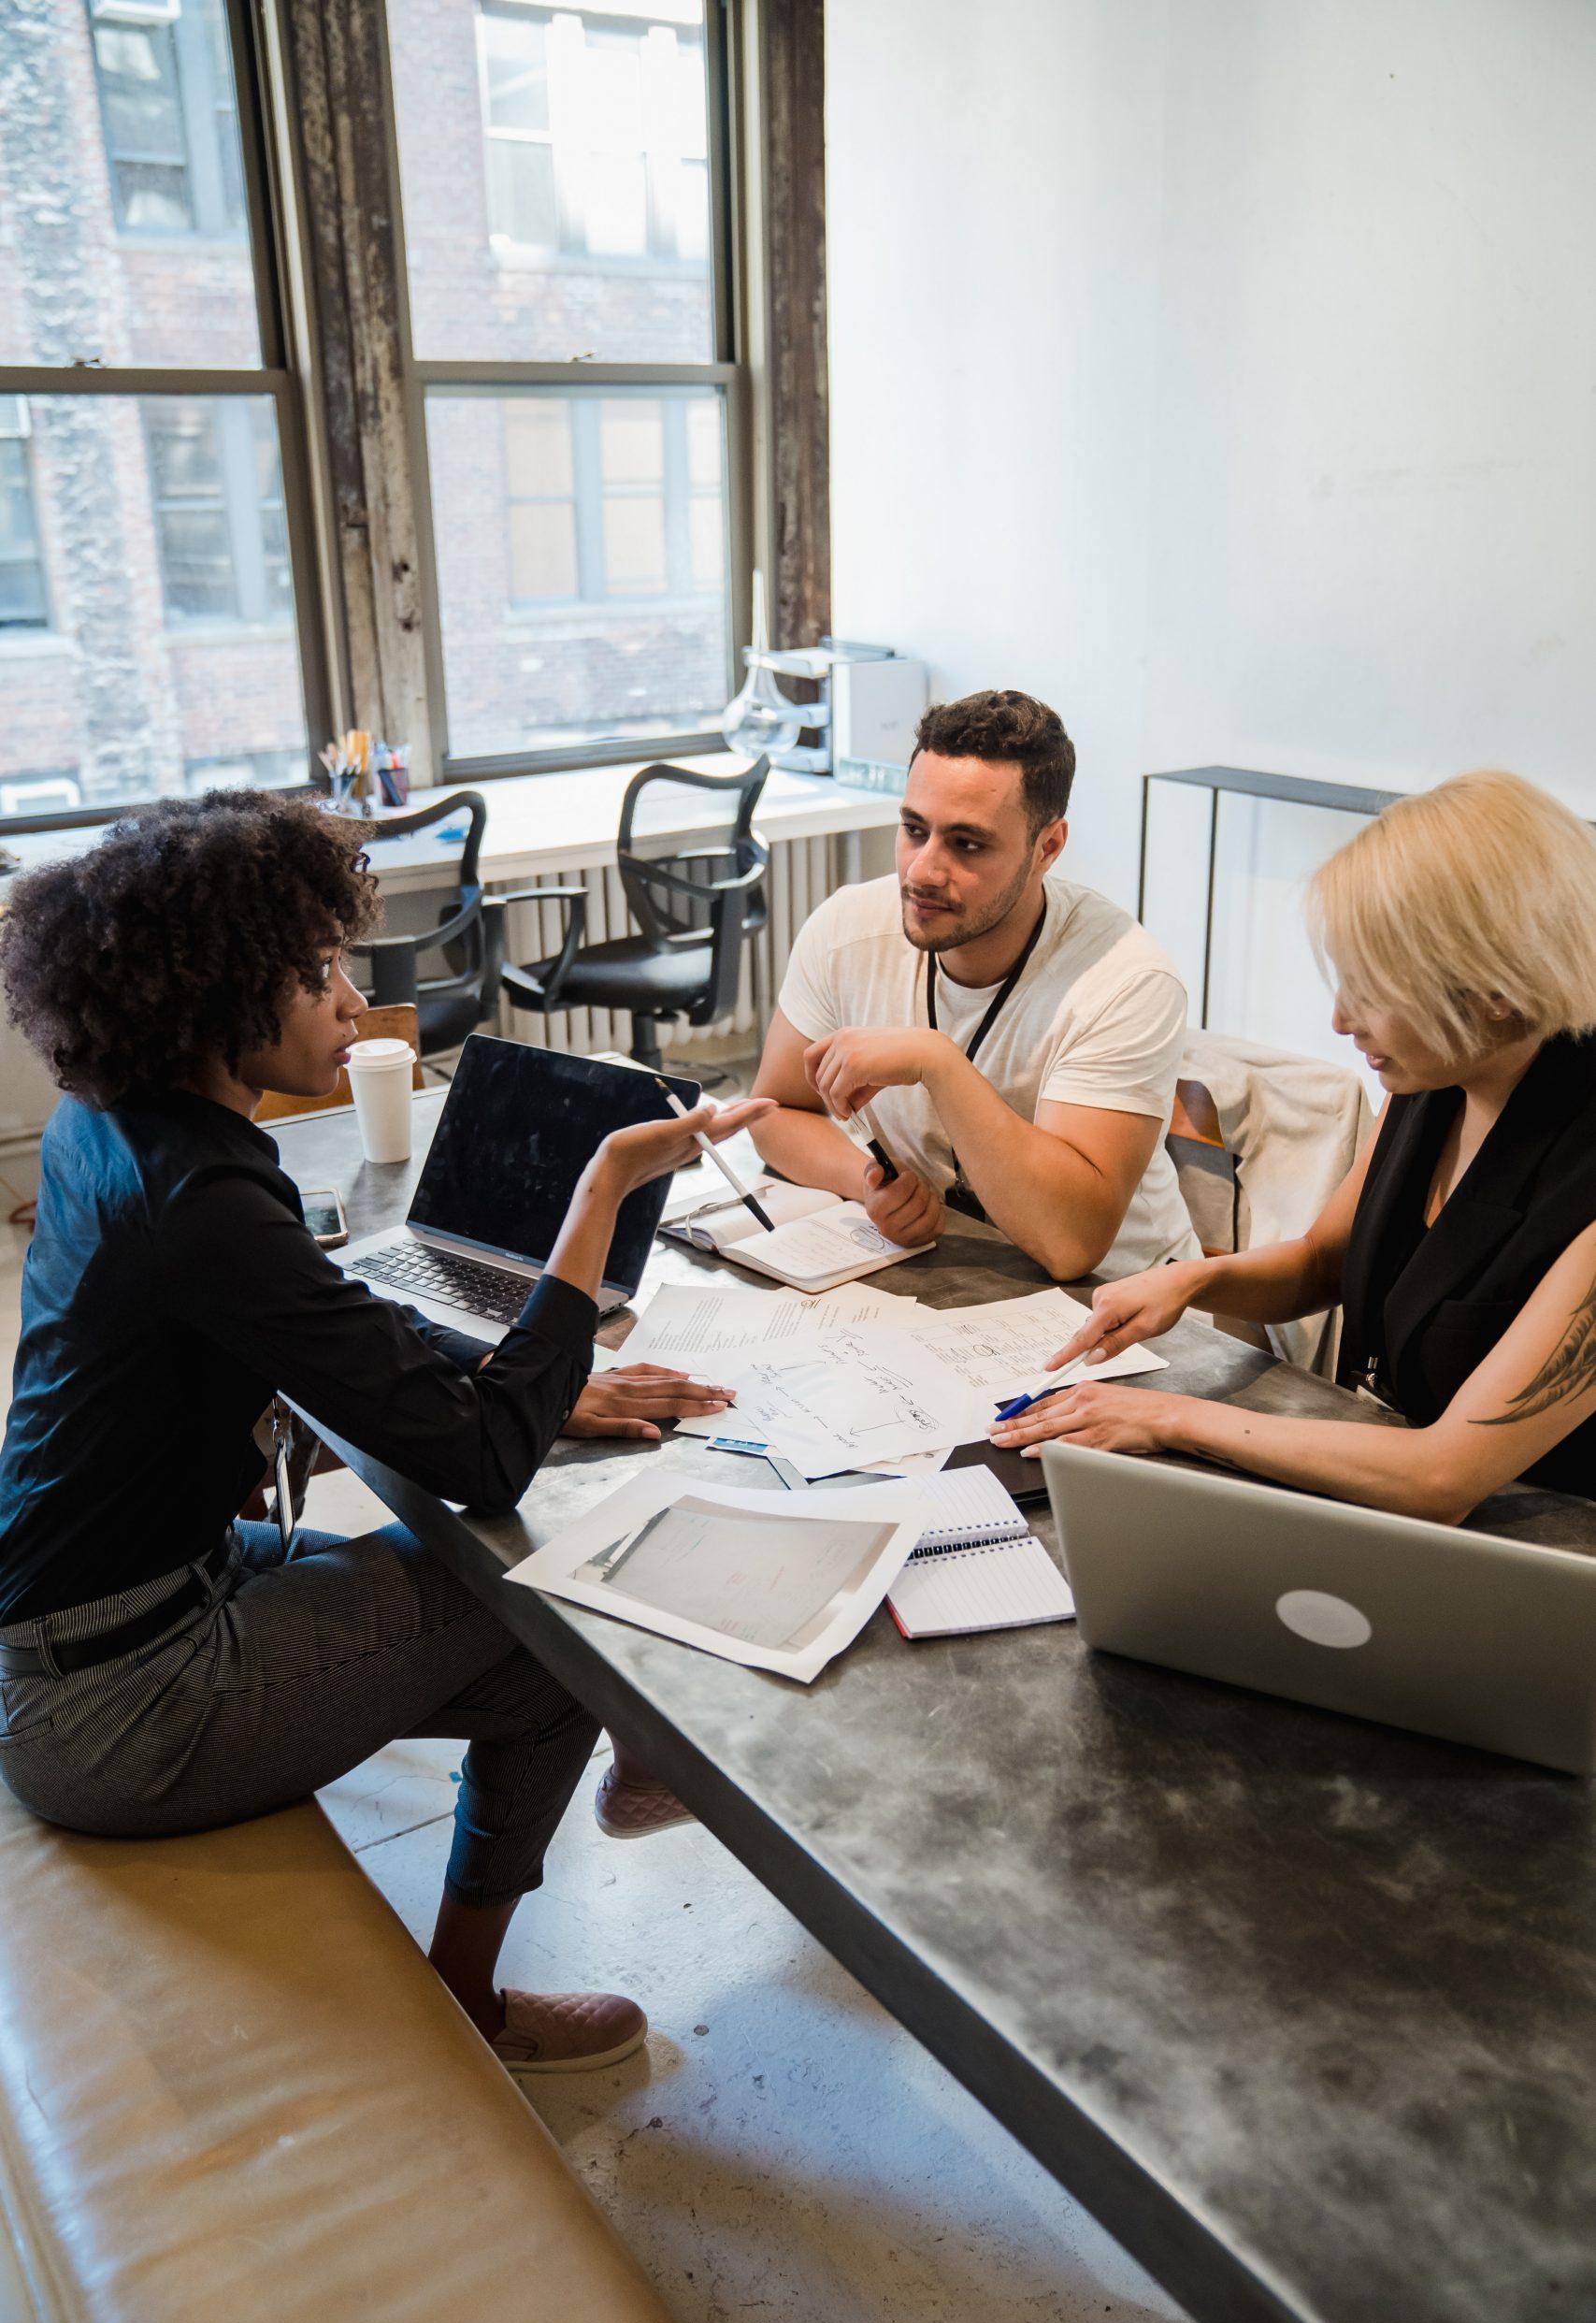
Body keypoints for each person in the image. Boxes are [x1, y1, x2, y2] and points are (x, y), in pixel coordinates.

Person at [0, 791, 770, 2074]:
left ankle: (465, 1979)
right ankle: (474, 2001)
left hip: (78, 1621)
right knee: (555, 1618)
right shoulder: (201, 1200)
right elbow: (481, 1462)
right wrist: (598, 1193)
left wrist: (527, 1378)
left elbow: (318, 1320)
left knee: (534, 1662)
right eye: (317, 974)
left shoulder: (118, 1121)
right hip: (119, 1707)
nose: (354, 1000)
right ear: (219, 993)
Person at [992, 772, 1596, 1514]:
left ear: (1493, 991)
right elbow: (1323, 1262)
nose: (1340, 1021)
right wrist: (1192, 1283)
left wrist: (1166, 1418)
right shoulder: (1438, 1077)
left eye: (1371, 991)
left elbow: (1442, 1478)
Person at [751, 688, 1201, 1282]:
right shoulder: (846, 929)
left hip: (1124, 1295)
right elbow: (773, 1112)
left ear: (1047, 848)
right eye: (914, 829)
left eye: (967, 844)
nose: (922, 871)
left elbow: (1071, 1245)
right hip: (955, 1274)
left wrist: (938, 1062)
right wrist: (871, 1183)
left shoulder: (1126, 982)